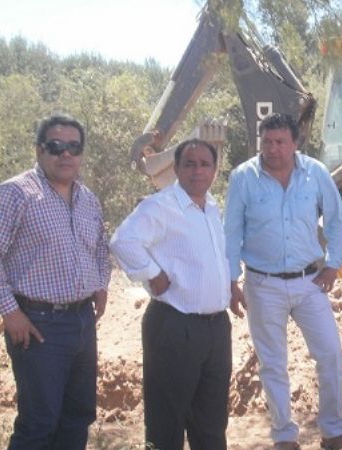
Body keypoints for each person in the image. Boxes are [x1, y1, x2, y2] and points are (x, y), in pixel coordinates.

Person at [0, 114, 111, 450]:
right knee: (39, 422)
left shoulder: (88, 199)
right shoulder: (17, 193)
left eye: (74, 147)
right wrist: (10, 311)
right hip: (38, 324)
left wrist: (101, 284)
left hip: (82, 322)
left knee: (78, 415)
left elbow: (100, 249)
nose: (66, 154)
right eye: (56, 146)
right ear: (39, 150)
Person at [225, 113, 342, 450]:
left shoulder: (316, 174)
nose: (273, 149)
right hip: (262, 284)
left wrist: (333, 264)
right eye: (267, 142)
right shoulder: (243, 178)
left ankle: (333, 430)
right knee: (273, 363)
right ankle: (284, 436)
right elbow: (231, 232)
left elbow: (337, 219)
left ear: (295, 143)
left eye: (280, 142)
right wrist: (230, 280)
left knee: (330, 354)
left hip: (310, 282)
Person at [110, 139, 232, 450]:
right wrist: (152, 274)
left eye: (205, 164)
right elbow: (123, 241)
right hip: (175, 327)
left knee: (211, 422)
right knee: (167, 423)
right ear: (176, 168)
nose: (197, 170)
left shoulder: (211, 207)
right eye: (189, 164)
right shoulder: (160, 206)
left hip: (216, 329)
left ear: (215, 171)